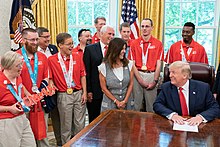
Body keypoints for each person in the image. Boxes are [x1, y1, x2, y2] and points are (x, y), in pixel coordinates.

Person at [48, 33, 87, 145]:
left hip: (78, 93)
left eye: (72, 43)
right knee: (66, 125)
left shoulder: (77, 56)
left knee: (80, 124)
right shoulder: (51, 60)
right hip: (63, 95)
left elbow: (82, 75)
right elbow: (50, 78)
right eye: (68, 44)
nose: (72, 46)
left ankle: (79, 144)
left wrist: (84, 92)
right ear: (60, 45)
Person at [153, 61, 219, 125]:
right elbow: (157, 105)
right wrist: (172, 115)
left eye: (173, 72)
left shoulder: (203, 88)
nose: (170, 76)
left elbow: (215, 108)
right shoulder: (166, 87)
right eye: (170, 72)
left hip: (198, 127)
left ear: (184, 75)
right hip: (175, 126)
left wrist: (200, 117)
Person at [17, 28, 50, 147]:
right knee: (25, 136)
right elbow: (16, 80)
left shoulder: (42, 57)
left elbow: (46, 77)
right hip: (23, 103)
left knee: (42, 134)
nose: (35, 42)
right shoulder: (16, 57)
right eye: (32, 40)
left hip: (39, 102)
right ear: (23, 40)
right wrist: (28, 95)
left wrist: (39, 93)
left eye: (37, 39)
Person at [0, 51, 36, 147]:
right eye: (18, 66)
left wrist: (29, 96)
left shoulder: (17, 76)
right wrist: (9, 108)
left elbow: (21, 86)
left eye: (21, 64)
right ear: (8, 66)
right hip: (7, 121)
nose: (21, 68)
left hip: (22, 118)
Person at [129, 18, 164, 112]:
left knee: (151, 106)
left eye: (147, 26)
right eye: (142, 26)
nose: (144, 28)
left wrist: (155, 81)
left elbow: (159, 64)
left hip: (151, 75)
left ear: (152, 28)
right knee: (136, 105)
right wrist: (140, 80)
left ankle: (150, 127)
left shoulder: (158, 44)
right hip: (137, 75)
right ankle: (135, 126)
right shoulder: (134, 43)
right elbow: (132, 64)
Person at [83, 25, 115, 123]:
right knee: (94, 119)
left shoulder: (114, 49)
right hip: (95, 91)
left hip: (111, 91)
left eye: (113, 34)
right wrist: (89, 91)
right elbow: (86, 71)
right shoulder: (90, 49)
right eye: (109, 34)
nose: (112, 36)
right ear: (101, 34)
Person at [36, 27, 61, 146]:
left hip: (55, 88)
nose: (48, 39)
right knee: (42, 121)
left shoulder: (53, 48)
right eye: (45, 37)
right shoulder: (35, 52)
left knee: (57, 117)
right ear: (38, 37)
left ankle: (59, 141)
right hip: (40, 90)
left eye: (49, 36)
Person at [98, 38, 134, 111]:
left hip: (127, 104)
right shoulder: (103, 67)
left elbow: (131, 84)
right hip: (109, 105)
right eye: (122, 49)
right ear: (115, 50)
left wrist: (125, 101)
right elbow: (104, 89)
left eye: (125, 49)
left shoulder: (129, 64)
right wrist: (116, 101)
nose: (124, 51)